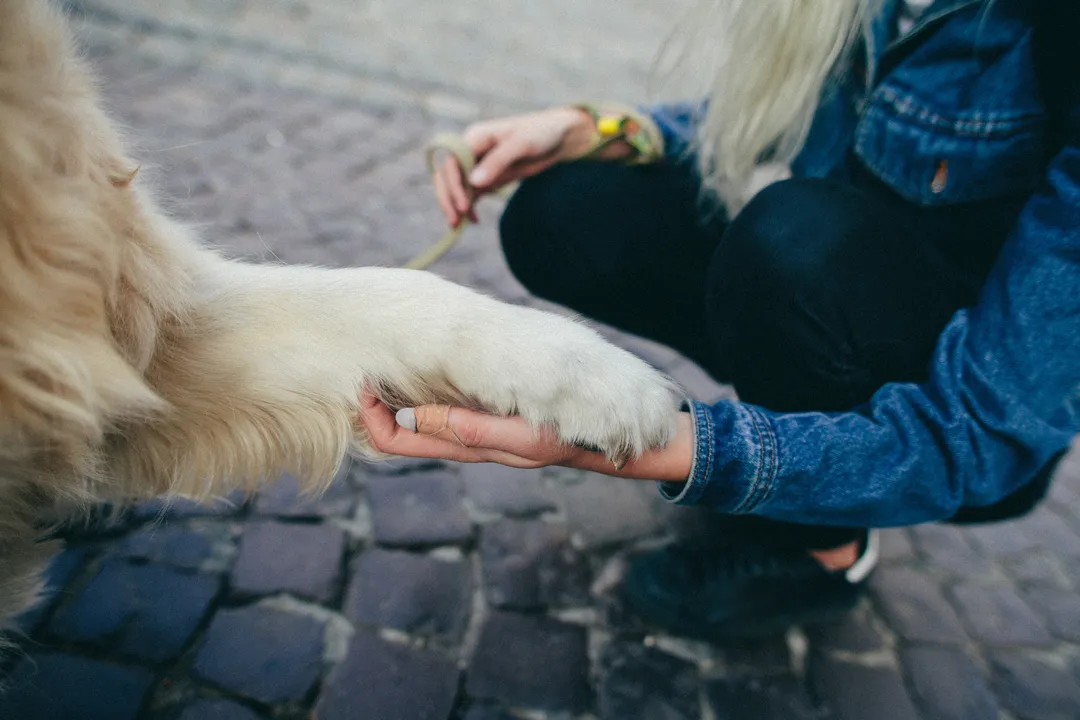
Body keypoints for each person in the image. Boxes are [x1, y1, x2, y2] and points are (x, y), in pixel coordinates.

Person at [360, 0, 1080, 640]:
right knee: (568, 208)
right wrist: (604, 129)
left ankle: (822, 550)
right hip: (825, 288)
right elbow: (797, 111)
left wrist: (668, 446)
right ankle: (796, 416)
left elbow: (983, 428)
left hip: (967, 406)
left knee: (795, 239)